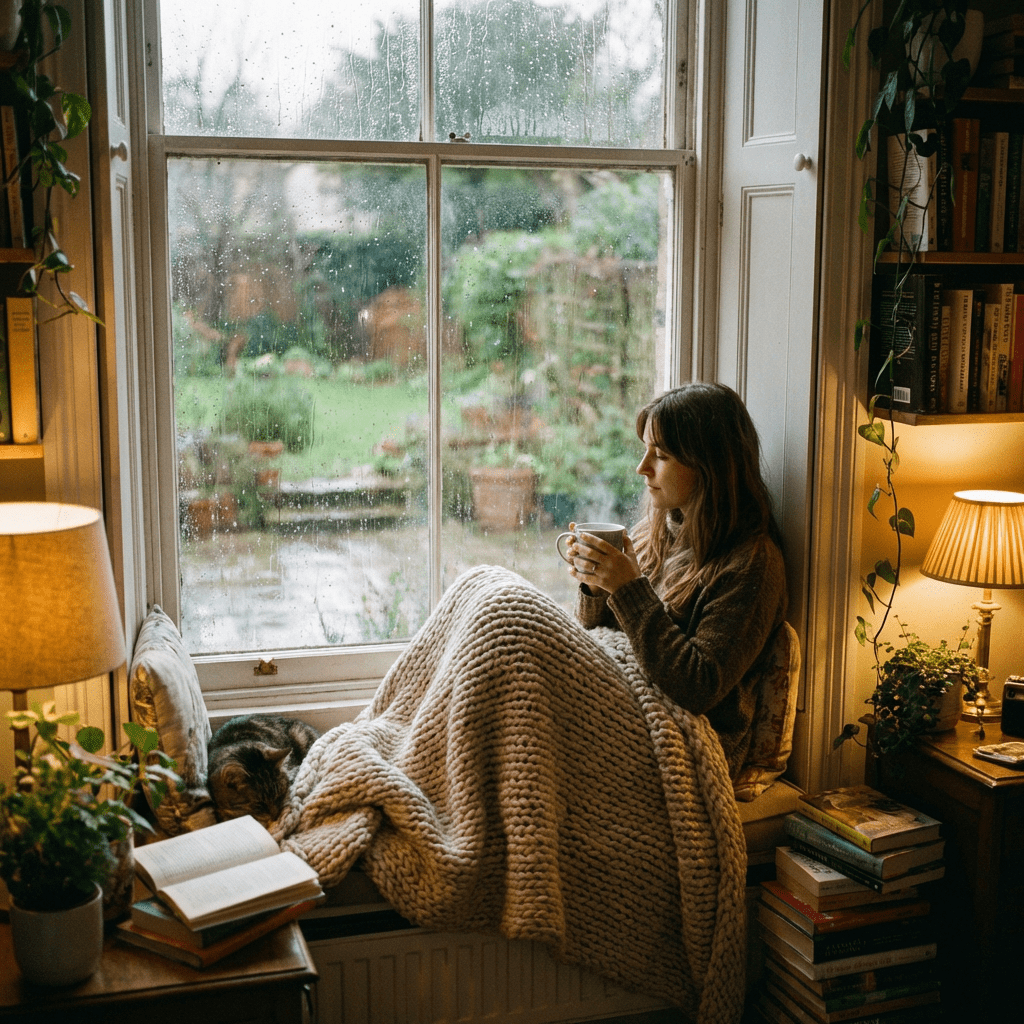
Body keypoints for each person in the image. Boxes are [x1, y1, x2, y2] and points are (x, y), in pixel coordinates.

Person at [564, 381, 788, 780]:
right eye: (646, 450)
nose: (642, 467)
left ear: (709, 465)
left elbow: (699, 686)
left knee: (509, 619)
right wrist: (596, 583)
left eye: (661, 455)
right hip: (626, 705)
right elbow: (596, 630)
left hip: (690, 746)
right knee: (491, 592)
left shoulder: (753, 565)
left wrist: (628, 590)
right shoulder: (663, 527)